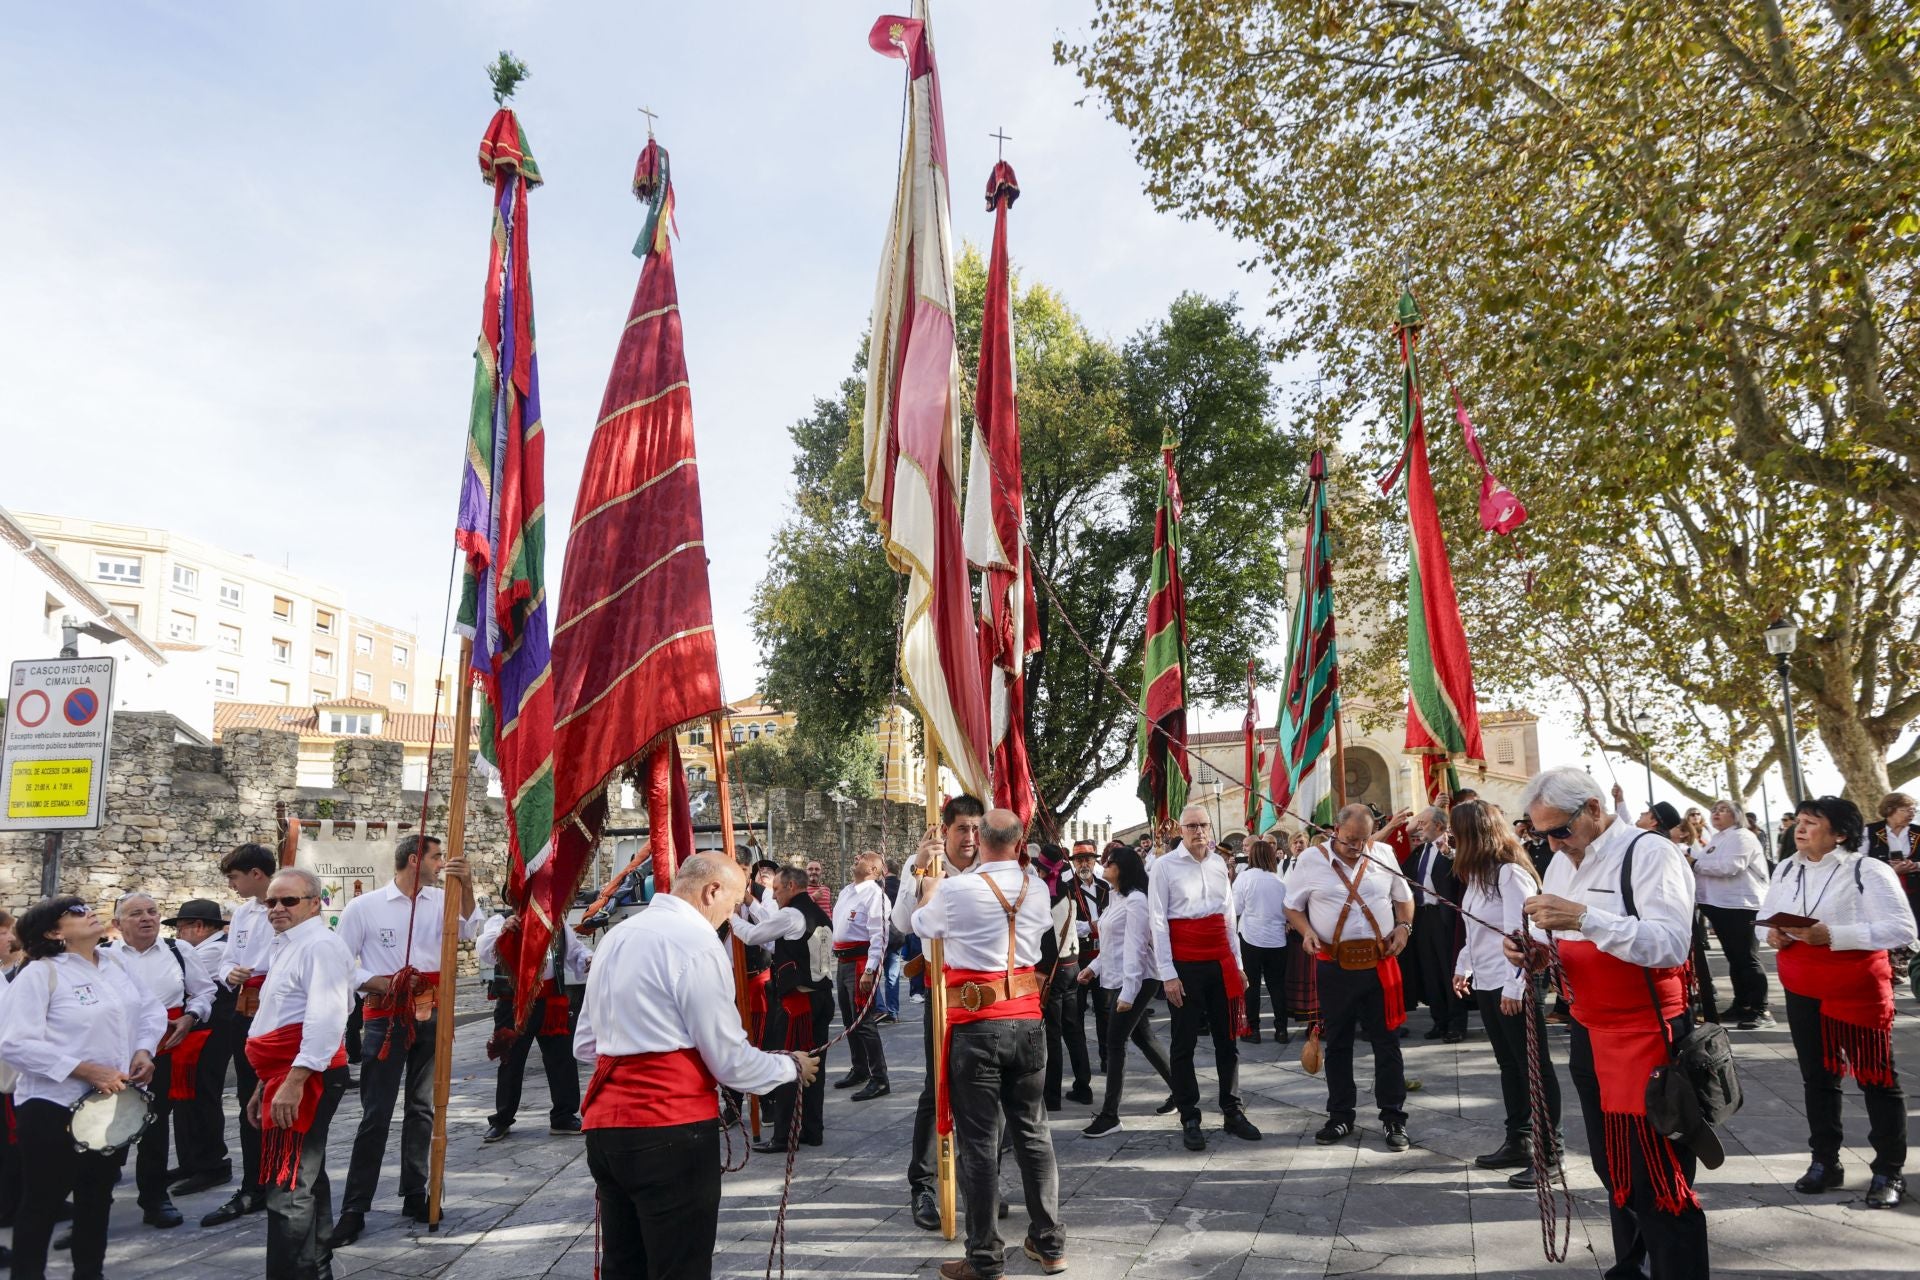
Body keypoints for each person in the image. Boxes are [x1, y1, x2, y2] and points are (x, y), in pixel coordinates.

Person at [574, 854, 816, 1280]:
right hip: (670, 1130)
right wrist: (789, 1067)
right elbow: (729, 1061)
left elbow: (586, 1044)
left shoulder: (615, 937)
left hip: (605, 1131)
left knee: (623, 1265)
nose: (732, 916)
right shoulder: (697, 942)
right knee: (679, 1266)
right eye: (735, 902)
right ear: (712, 892)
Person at [1513, 766, 1709, 1279]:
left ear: (1595, 809)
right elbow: (1569, 948)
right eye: (1543, 834)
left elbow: (1668, 943)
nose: (1554, 845)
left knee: (1660, 1180)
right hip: (1589, 1035)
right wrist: (1537, 955)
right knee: (1615, 1172)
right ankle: (1631, 1269)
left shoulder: (1649, 853)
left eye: (1560, 831)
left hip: (1649, 1039)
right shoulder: (1559, 864)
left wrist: (1584, 918)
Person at [911, 808, 1066, 1280]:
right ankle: (1049, 1242)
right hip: (1028, 1020)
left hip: (979, 1023)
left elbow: (922, 926)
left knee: (979, 1143)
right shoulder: (1036, 887)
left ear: (981, 841)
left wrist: (929, 886)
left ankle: (984, 1257)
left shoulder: (958, 888)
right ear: (1019, 844)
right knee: (1033, 1133)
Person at [1760, 795, 1915, 1210]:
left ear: (1840, 834)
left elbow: (1901, 928)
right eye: (1800, 821)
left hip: (1855, 988)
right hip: (1801, 985)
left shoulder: (1868, 869)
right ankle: (1824, 1161)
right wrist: (1772, 935)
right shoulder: (1787, 868)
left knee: (1877, 1080)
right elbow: (1766, 917)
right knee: (1818, 1077)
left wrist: (1835, 936)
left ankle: (1889, 1169)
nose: (1801, 828)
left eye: (1813, 822)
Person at [0, 896, 165, 1280]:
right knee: (42, 1201)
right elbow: (14, 1043)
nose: (88, 912)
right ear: (54, 933)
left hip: (108, 1104)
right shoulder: (40, 973)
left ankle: (89, 1273)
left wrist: (143, 1049)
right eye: (73, 913)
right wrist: (85, 1069)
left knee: (97, 1198)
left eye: (86, 907)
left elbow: (150, 1010)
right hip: (51, 1105)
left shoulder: (115, 963)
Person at [329, 834, 481, 1246]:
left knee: (422, 1107)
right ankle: (354, 1207)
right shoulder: (365, 907)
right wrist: (373, 980)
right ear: (415, 860)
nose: (441, 865)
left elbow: (472, 929)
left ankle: (416, 1192)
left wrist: (465, 885)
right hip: (385, 1016)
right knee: (375, 1113)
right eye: (436, 858)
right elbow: (341, 962)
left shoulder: (443, 899)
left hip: (431, 1011)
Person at [1285, 804, 1415, 1151]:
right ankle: (1341, 1115)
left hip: (1379, 963)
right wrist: (1306, 931)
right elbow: (1291, 905)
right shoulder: (1311, 860)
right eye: (1350, 840)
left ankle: (1393, 1118)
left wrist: (1403, 927)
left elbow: (1404, 899)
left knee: (1387, 1044)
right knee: (1339, 1043)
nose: (1357, 847)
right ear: (1335, 832)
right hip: (1334, 966)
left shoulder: (1383, 853)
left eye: (1363, 840)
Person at [244, 867, 354, 1278]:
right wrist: (264, 1085)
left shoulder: (319, 946)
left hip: (305, 1077)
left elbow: (326, 1018)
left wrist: (293, 1082)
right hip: (282, 1074)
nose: (276, 908)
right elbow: (281, 1015)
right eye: (270, 901)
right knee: (305, 1178)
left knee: (288, 1184)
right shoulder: (287, 945)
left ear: (314, 903)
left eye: (288, 900)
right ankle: (315, 1268)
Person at [1449, 800, 1562, 1188]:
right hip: (1487, 980)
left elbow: (1522, 936)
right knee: (1509, 1066)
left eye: (1457, 832)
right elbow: (1478, 929)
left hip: (1512, 982)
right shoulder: (1479, 876)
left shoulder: (1510, 874)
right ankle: (1519, 1140)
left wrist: (1516, 984)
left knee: (1533, 1066)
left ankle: (1550, 1153)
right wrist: (1464, 966)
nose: (1451, 838)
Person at [1148, 804, 1261, 1151]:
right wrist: (1167, 974)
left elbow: (1229, 918)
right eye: (1192, 825)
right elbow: (1157, 922)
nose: (1199, 831)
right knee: (1184, 1044)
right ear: (1181, 830)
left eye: (1203, 825)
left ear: (1211, 829)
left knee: (1228, 1040)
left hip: (1221, 961)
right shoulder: (1164, 868)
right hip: (1184, 964)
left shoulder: (1217, 864)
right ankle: (1190, 1115)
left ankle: (1233, 1110)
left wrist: (1238, 964)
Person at [896, 794, 987, 1231]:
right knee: (936, 1090)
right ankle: (925, 1186)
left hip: (987, 994)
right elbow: (899, 923)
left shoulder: (993, 866)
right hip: (941, 991)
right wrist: (916, 871)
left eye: (976, 828)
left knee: (986, 1092)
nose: (970, 837)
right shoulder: (924, 866)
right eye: (962, 828)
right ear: (945, 830)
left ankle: (979, 1183)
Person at [112, 891, 216, 1230]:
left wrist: (191, 1017)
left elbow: (204, 992)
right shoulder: (104, 956)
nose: (147, 918)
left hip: (164, 1052)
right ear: (117, 924)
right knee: (102, 1133)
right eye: (136, 913)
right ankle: (90, 1211)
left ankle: (155, 1199)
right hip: (114, 1055)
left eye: (152, 911)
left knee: (153, 1128)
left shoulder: (179, 951)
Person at [731, 866, 835, 1152]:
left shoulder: (791, 915)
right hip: (822, 998)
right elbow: (773, 926)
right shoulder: (817, 912)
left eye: (777, 889)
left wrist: (730, 916)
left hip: (798, 1004)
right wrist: (750, 903)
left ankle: (783, 1136)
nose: (774, 895)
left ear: (790, 886)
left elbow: (754, 936)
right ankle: (812, 1129)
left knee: (791, 1066)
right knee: (815, 1067)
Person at [202, 841, 278, 1228]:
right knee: (248, 1094)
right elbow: (229, 957)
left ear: (256, 874)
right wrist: (230, 972)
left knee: (276, 1094)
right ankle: (254, 1181)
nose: (232, 884)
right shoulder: (244, 913)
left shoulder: (285, 909)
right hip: (243, 1007)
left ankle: (278, 1177)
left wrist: (261, 971)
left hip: (276, 1008)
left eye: (234, 877)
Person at [1078, 844, 1173, 1136]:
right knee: (1144, 1038)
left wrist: (1128, 994)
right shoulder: (1116, 898)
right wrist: (1093, 968)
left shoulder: (1136, 902)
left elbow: (1135, 950)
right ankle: (1183, 1092)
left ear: (1123, 869)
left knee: (1115, 1041)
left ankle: (1110, 1115)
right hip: (1121, 977)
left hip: (1139, 979)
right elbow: (1111, 944)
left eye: (1109, 863)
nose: (1103, 866)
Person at [477, 907, 590, 1143]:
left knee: (562, 1059)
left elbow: (575, 953)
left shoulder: (555, 920)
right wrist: (503, 930)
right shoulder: (503, 918)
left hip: (550, 1002)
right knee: (510, 1060)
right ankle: (502, 1119)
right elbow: (486, 951)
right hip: (514, 1003)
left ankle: (563, 1116)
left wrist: (588, 960)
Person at [164, 898, 233, 1196]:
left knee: (202, 1095)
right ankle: (192, 1160)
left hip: (210, 1034)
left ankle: (211, 1163)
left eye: (181, 929)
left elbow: (179, 984)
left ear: (199, 927)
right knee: (187, 1096)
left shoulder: (213, 951)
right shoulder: (201, 950)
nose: (179, 935)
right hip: (196, 1034)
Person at [1695, 798, 1773, 1029]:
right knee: (1734, 958)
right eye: (1714, 810)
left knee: (1747, 958)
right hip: (1720, 905)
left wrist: (1695, 864)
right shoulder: (1717, 839)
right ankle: (1742, 1003)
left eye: (1723, 810)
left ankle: (1762, 1009)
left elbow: (1730, 867)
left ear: (1737, 815)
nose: (1716, 813)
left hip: (1742, 905)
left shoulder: (1743, 837)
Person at [1034, 843, 1092, 1110]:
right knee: (1074, 1030)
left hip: (1054, 970)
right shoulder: (1068, 891)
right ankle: (1083, 1086)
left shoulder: (1044, 896)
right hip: (1073, 965)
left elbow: (1042, 939)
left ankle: (1052, 1096)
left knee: (1053, 1035)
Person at [829, 852, 890, 1100]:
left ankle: (880, 1078)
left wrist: (870, 969)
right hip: (843, 962)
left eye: (863, 857)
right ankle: (860, 1068)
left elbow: (879, 935)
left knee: (864, 1022)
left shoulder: (875, 896)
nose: (856, 857)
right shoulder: (847, 891)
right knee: (849, 1020)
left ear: (874, 869)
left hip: (860, 962)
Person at [1402, 806, 1467, 1043]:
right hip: (1422, 917)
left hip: (1445, 919)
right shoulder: (1420, 852)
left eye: (1424, 823)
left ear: (1439, 826)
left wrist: (1451, 852)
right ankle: (1439, 1020)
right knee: (1429, 971)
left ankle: (1456, 1023)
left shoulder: (1453, 849)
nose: (1419, 827)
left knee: (1448, 970)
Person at [1233, 836, 1290, 1046]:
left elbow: (1235, 909)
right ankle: (1281, 1029)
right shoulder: (1279, 881)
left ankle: (1253, 1029)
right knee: (1277, 986)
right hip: (1277, 940)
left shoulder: (1245, 879)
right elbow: (1287, 911)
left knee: (1252, 985)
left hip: (1251, 937)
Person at [1861, 791, 1918, 983]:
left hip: (1915, 888)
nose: (1912, 813)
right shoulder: (1870, 831)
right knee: (1889, 923)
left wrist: (1915, 866)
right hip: (1883, 888)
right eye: (1906, 809)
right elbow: (1859, 859)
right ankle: (1892, 967)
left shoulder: (1917, 832)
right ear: (1890, 810)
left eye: (1914, 809)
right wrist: (1888, 868)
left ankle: (1910, 966)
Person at [1066, 842, 1111, 1072]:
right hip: (1079, 957)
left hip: (1103, 956)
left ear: (1095, 862)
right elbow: (1066, 924)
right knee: (1077, 1012)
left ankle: (1106, 1057)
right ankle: (1081, 1065)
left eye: (1088, 859)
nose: (1084, 864)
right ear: (1074, 863)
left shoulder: (1105, 886)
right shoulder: (1067, 888)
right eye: (1079, 860)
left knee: (1104, 1010)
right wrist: (1090, 926)